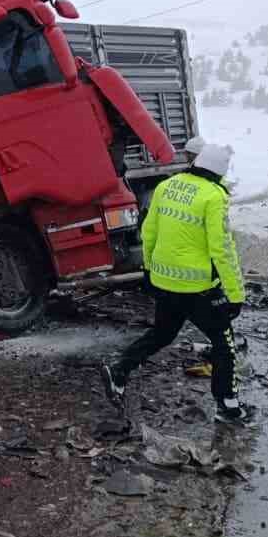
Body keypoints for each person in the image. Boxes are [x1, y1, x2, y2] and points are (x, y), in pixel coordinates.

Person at [103, 142, 253, 425]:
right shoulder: (213, 196)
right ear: (218, 173)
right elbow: (222, 249)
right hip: (197, 288)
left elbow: (149, 231)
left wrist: (149, 269)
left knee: (162, 334)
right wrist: (235, 294)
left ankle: (120, 371)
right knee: (224, 344)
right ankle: (229, 407)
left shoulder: (167, 185)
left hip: (164, 280)